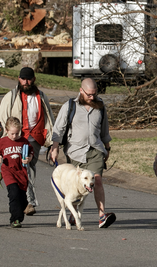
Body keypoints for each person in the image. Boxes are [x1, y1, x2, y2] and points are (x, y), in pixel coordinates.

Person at [49, 78, 116, 228]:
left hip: (95, 150)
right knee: (77, 185)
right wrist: (55, 147)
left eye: (94, 94)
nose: (92, 97)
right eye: (89, 94)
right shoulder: (70, 106)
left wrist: (107, 147)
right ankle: (74, 214)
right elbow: (58, 128)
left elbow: (104, 129)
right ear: (81, 91)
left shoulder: (100, 106)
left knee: (96, 180)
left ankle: (102, 216)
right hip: (75, 152)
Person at [0, 67, 55, 216]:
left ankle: (28, 201)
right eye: (23, 79)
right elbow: (2, 120)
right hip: (16, 138)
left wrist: (52, 141)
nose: (26, 82)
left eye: (29, 79)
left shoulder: (41, 96)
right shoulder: (11, 97)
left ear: (34, 79)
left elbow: (49, 118)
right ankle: (28, 201)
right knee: (22, 168)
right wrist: (2, 142)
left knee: (30, 167)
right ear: (19, 79)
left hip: (34, 138)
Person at [0, 117, 34, 228]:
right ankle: (15, 219)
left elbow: (30, 152)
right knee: (14, 193)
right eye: (12, 133)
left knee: (21, 197)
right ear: (6, 130)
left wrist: (29, 158)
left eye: (17, 133)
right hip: (8, 171)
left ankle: (21, 211)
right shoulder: (2, 142)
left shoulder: (23, 141)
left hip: (21, 172)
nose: (14, 136)